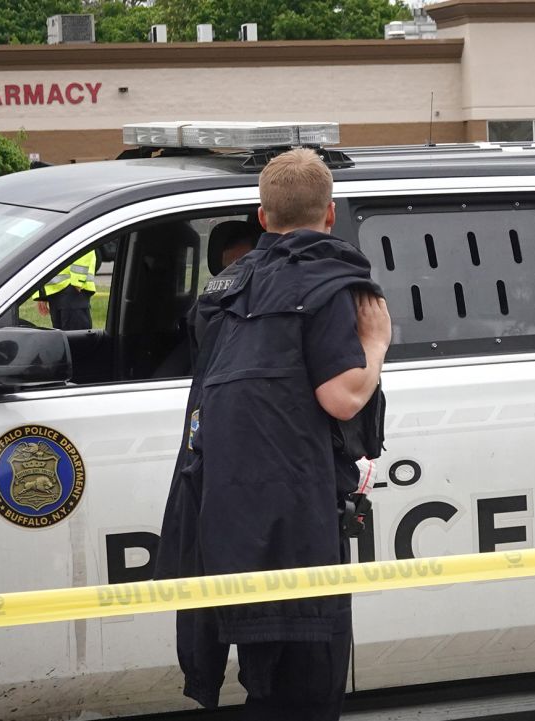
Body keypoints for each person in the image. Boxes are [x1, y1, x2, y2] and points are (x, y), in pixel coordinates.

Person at [153, 148, 392, 721]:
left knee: (265, 679)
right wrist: (378, 340)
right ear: (329, 215)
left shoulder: (222, 291)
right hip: (299, 526)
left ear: (262, 218)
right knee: (307, 689)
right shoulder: (337, 284)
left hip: (224, 518)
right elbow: (341, 396)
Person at [36, 249, 96, 330]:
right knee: (64, 340)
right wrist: (42, 293)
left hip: (72, 290)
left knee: (75, 339)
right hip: (56, 293)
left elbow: (84, 245)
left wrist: (78, 280)